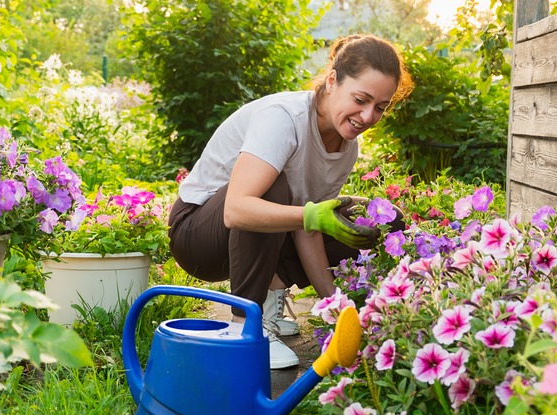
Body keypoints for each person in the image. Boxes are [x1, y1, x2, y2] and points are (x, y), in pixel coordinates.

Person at [168, 34, 413, 369]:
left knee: (378, 220)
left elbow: (307, 225)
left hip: (248, 241)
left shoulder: (346, 146)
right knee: (273, 187)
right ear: (331, 81)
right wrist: (311, 215)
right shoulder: (284, 117)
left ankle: (270, 295)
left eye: (380, 108)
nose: (368, 116)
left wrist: (336, 308)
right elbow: (237, 209)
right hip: (197, 235)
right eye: (361, 99)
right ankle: (247, 327)